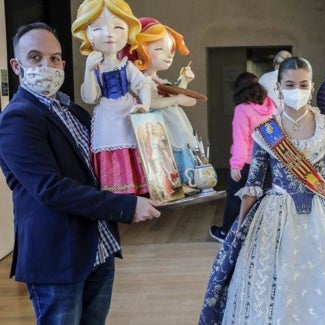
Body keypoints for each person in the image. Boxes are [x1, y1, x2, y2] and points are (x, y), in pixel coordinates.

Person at [199, 57, 325, 324]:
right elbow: (255, 185)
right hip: (275, 217)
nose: (297, 89)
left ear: (312, 85)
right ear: (280, 89)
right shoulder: (267, 130)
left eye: (303, 84)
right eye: (290, 84)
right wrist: (238, 232)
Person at [0, 22, 161, 324]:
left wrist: (149, 182)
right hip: (57, 257)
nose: (48, 65)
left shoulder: (74, 111)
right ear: (16, 65)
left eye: (55, 58)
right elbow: (51, 189)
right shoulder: (17, 118)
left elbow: (105, 166)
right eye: (35, 57)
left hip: (98, 247)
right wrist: (126, 206)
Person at [72, 0, 152, 195]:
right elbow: (91, 97)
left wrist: (145, 106)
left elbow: (143, 85)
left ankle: (138, 190)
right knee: (110, 146)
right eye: (98, 28)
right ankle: (114, 192)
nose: (109, 34)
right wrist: (88, 70)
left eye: (118, 27)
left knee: (132, 145)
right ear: (88, 33)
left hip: (127, 112)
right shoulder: (95, 67)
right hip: (106, 116)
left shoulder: (126, 65)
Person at [126, 17, 198, 183]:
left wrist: (185, 80)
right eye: (159, 49)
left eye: (170, 51)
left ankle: (186, 183)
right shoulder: (142, 81)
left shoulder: (160, 81)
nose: (168, 56)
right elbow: (151, 102)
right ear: (141, 50)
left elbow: (176, 96)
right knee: (167, 161)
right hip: (160, 130)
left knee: (183, 156)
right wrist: (177, 99)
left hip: (175, 126)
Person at [209, 72, 275, 242]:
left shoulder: (242, 109)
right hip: (269, 161)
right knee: (263, 198)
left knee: (236, 198)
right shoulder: (271, 106)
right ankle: (259, 235)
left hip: (247, 162)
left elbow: (241, 140)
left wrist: (236, 165)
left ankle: (226, 234)